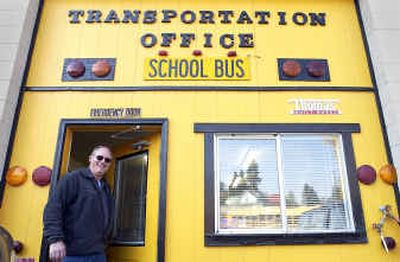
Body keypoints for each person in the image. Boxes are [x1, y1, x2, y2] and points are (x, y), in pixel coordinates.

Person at [43, 145, 114, 262]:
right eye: (99, 157)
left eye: (107, 160)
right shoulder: (73, 179)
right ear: (90, 158)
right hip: (73, 254)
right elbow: (53, 209)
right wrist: (55, 240)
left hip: (98, 253)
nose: (103, 162)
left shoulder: (106, 188)